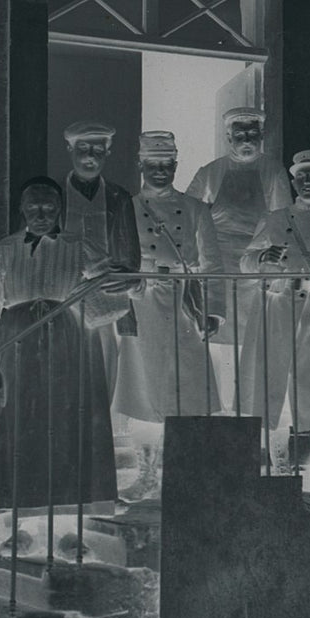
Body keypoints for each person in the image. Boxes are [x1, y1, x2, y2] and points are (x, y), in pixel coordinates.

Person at [0, 177, 117, 518]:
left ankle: (68, 528)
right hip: (18, 351)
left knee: (69, 430)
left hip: (71, 347)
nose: (41, 215)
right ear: (22, 209)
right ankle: (23, 527)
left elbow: (114, 278)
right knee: (21, 431)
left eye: (49, 208)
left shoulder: (78, 245)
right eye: (34, 207)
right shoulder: (3, 250)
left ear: (60, 209)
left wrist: (108, 283)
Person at [112, 131, 224, 501]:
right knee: (143, 393)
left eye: (167, 163)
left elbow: (212, 265)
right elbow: (116, 261)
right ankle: (146, 476)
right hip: (142, 302)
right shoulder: (125, 208)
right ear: (141, 165)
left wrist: (213, 311)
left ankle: (184, 477)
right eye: (153, 163)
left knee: (188, 391)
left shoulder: (196, 210)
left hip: (185, 305)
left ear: (176, 165)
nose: (160, 170)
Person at [239, 149, 310, 494]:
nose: (307, 181)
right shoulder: (274, 219)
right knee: (276, 393)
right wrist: (262, 256)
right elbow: (245, 263)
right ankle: (280, 472)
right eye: (301, 176)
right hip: (276, 311)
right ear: (293, 181)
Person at [185, 106, 292, 408]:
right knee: (215, 340)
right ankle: (216, 411)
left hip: (256, 266)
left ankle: (247, 413)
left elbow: (283, 222)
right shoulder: (210, 171)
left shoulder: (274, 171)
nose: (247, 139)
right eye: (240, 133)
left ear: (261, 135)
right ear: (229, 137)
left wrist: (272, 264)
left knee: (253, 343)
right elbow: (186, 214)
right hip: (218, 268)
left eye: (252, 133)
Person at [60, 120, 143, 396]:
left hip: (105, 305)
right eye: (83, 148)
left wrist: (129, 278)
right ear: (70, 149)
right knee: (63, 382)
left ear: (107, 152)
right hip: (63, 304)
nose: (90, 156)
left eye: (97, 149)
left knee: (102, 383)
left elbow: (132, 260)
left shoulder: (120, 197)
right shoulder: (54, 195)